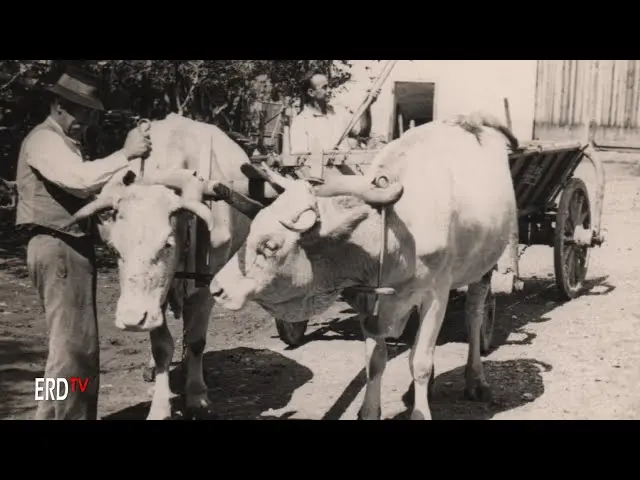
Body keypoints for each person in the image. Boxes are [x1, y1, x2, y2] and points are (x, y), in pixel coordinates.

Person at [15, 67, 151, 420]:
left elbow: (91, 188)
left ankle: (61, 415)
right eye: (83, 112)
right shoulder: (44, 140)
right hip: (56, 246)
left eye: (92, 114)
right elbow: (78, 181)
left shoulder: (65, 143)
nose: (88, 121)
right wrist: (126, 153)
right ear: (59, 105)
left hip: (69, 247)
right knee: (69, 348)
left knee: (78, 346)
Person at [289, 72, 380, 154]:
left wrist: (367, 106)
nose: (329, 91)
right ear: (311, 92)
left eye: (328, 86)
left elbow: (363, 133)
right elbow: (300, 162)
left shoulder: (339, 112)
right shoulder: (300, 123)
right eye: (324, 87)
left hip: (347, 171)